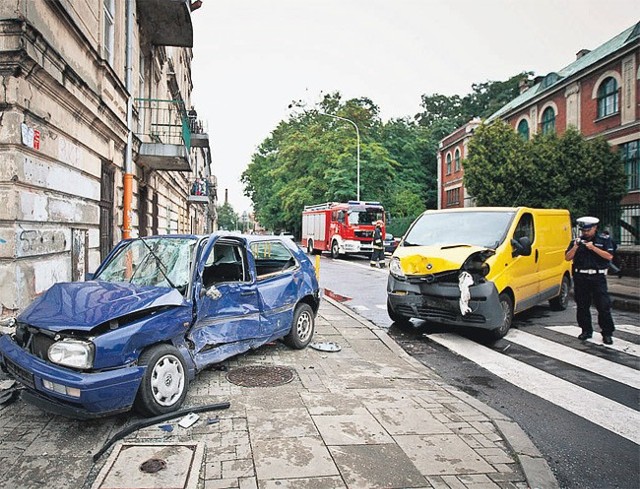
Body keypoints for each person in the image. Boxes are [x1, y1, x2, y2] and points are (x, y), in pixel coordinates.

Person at [565, 216, 616, 345]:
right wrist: (576, 246)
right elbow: (567, 257)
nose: (585, 233)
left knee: (603, 306)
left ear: (595, 228)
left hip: (597, 277)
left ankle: (607, 333)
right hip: (581, 277)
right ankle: (586, 330)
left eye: (588, 230)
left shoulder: (604, 240)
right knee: (582, 306)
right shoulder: (577, 241)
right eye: (583, 230)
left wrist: (593, 248)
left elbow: (609, 256)